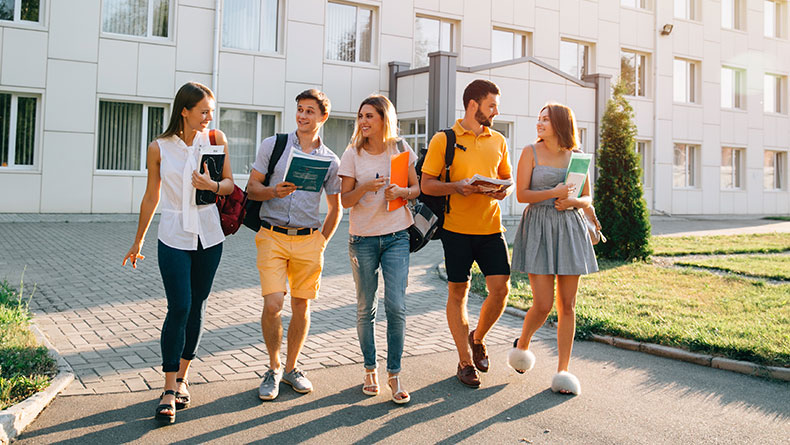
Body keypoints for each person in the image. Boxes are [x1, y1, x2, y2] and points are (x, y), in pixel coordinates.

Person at [122, 82, 234, 424]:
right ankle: (168, 388)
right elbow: (151, 196)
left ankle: (183, 378)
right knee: (179, 306)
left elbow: (230, 183)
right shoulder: (159, 148)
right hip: (172, 233)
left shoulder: (216, 140)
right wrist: (138, 239)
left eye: (211, 112)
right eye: (203, 111)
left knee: (197, 305)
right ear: (184, 111)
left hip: (210, 234)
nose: (209, 117)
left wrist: (212, 186)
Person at [246, 89, 342, 401]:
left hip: (307, 240)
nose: (302, 116)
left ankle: (291, 368)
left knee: (302, 305)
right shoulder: (273, 145)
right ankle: (273, 368)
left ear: (322, 117)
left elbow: (336, 207)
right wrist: (273, 192)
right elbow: (251, 189)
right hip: (271, 235)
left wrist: (321, 242)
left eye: (309, 111)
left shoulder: (330, 160)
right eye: (299, 109)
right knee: (273, 304)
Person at [420, 79, 513, 388]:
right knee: (458, 293)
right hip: (456, 230)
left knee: (500, 290)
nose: (496, 111)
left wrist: (502, 191)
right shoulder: (443, 140)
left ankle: (478, 338)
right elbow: (427, 184)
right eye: (492, 105)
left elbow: (505, 177)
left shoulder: (498, 140)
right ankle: (464, 361)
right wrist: (456, 187)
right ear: (474, 105)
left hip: (491, 228)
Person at [508, 102, 598, 396]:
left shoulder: (577, 158)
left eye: (545, 119)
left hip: (570, 229)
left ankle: (563, 370)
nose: (539, 123)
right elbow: (522, 195)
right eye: (539, 119)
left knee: (568, 306)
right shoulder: (529, 152)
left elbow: (587, 197)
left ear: (560, 124)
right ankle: (522, 345)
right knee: (544, 303)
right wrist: (555, 193)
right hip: (539, 228)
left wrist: (572, 202)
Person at [338, 95, 420, 404]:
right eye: (360, 116)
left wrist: (402, 192)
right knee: (365, 307)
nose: (363, 121)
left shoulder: (400, 149)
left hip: (397, 235)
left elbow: (417, 189)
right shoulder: (352, 154)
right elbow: (344, 200)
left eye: (369, 116)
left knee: (396, 306)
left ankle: (395, 373)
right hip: (363, 239)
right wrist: (365, 188)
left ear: (384, 119)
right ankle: (370, 368)